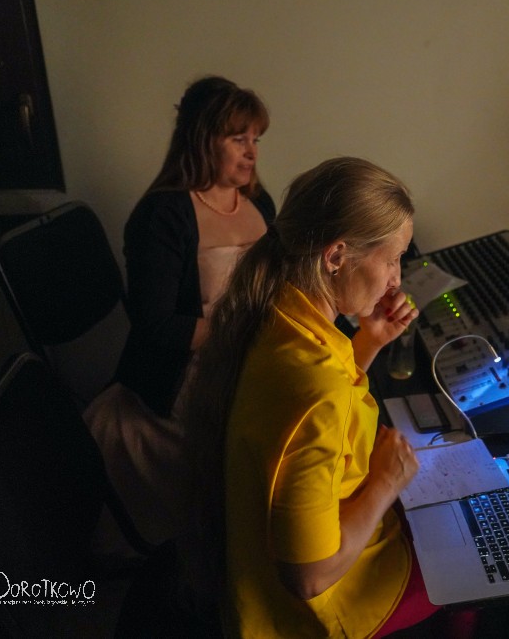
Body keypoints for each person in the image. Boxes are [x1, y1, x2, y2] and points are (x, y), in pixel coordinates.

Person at [181, 157, 447, 638]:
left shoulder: (277, 314)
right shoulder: (316, 387)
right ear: (336, 255)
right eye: (391, 259)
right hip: (315, 610)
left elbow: (313, 408)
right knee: (464, 570)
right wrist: (385, 482)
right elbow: (308, 576)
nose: (396, 279)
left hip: (253, 572)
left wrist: (368, 342)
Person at [83, 75, 275, 549]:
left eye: (255, 139)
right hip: (187, 369)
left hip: (250, 348)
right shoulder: (162, 215)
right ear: (202, 139)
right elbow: (157, 326)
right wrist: (245, 333)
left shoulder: (260, 202)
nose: (251, 153)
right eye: (238, 139)